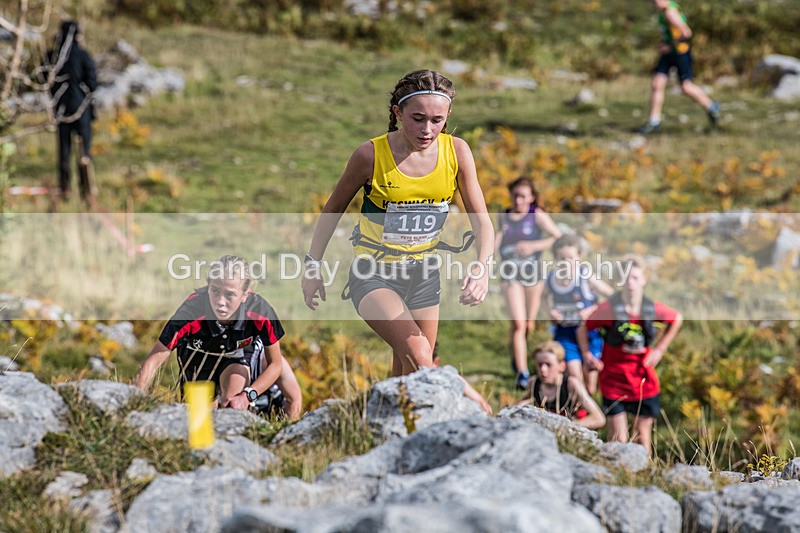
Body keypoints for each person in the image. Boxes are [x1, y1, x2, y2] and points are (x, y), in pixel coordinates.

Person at [300, 69, 494, 414]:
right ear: (397, 112)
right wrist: (311, 267)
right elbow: (331, 211)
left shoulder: (457, 152)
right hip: (373, 274)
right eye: (418, 119)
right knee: (421, 355)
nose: (427, 130)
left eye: (437, 120)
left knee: (406, 375)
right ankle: (471, 410)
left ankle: (385, 436)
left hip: (424, 275)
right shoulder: (370, 155)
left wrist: (482, 269)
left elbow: (482, 221)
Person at [135, 255, 300, 418]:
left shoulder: (260, 312)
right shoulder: (190, 312)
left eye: (229, 295)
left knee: (233, 409)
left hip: (236, 357)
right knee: (200, 426)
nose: (220, 301)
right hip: (198, 361)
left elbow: (276, 364)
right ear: (208, 287)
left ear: (245, 295)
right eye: (215, 291)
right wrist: (134, 404)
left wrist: (247, 396)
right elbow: (153, 361)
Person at [577, 255, 683, 455]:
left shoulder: (651, 309)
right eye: (625, 278)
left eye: (635, 278)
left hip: (644, 379)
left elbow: (677, 318)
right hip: (613, 380)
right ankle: (616, 478)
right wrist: (587, 354)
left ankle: (644, 479)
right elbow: (584, 326)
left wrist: (660, 349)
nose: (630, 283)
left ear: (643, 279)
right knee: (619, 439)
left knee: (642, 437)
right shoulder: (609, 309)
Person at [496, 176, 562, 390]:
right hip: (510, 274)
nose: (519, 200)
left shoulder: (537, 215)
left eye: (523, 196)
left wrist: (534, 246)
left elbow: (556, 237)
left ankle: (517, 358)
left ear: (531, 197)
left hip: (533, 275)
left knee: (529, 325)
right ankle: (523, 374)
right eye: (515, 195)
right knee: (518, 324)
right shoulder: (504, 217)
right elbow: (494, 241)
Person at [543, 234, 614, 395]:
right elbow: (542, 298)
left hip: (589, 335)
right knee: (574, 376)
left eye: (570, 258)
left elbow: (612, 297)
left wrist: (593, 310)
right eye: (561, 258)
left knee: (590, 385)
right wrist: (550, 312)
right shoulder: (551, 279)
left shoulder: (585, 276)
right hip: (565, 334)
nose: (566, 262)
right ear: (555, 258)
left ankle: (590, 408)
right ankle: (578, 414)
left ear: (579, 258)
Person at [639, 0, 720, 134]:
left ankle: (712, 107)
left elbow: (686, 33)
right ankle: (654, 121)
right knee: (657, 83)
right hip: (669, 53)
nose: (653, 4)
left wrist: (669, 45)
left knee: (686, 87)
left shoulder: (670, 12)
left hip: (680, 53)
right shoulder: (664, 11)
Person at [49, 20, 98, 207]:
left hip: (61, 108)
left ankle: (65, 188)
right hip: (81, 109)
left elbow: (47, 81)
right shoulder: (83, 55)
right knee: (84, 151)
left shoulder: (54, 55)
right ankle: (86, 189)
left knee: (64, 150)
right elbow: (93, 83)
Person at [517, 341, 605, 430]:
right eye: (539, 365)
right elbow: (520, 404)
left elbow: (599, 418)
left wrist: (565, 426)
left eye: (548, 365)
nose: (543, 369)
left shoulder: (571, 384)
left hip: (571, 431)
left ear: (562, 366)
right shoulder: (534, 382)